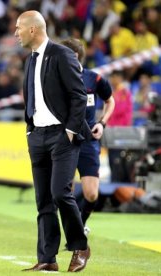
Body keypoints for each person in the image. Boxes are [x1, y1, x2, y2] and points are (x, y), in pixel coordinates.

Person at [14, 11, 91, 272]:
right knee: (43, 200)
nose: (16, 33)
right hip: (38, 136)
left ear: (33, 30)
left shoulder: (62, 54)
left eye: (19, 28)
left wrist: (70, 129)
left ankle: (80, 246)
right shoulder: (30, 60)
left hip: (62, 135)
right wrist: (30, 129)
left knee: (60, 193)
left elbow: (79, 95)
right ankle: (48, 258)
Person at [60, 38, 115, 237]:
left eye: (73, 58)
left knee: (92, 193)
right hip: (64, 140)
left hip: (88, 141)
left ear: (79, 58)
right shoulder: (57, 80)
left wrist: (102, 123)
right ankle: (72, 231)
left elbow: (110, 101)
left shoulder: (94, 79)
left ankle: (79, 224)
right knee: (64, 192)